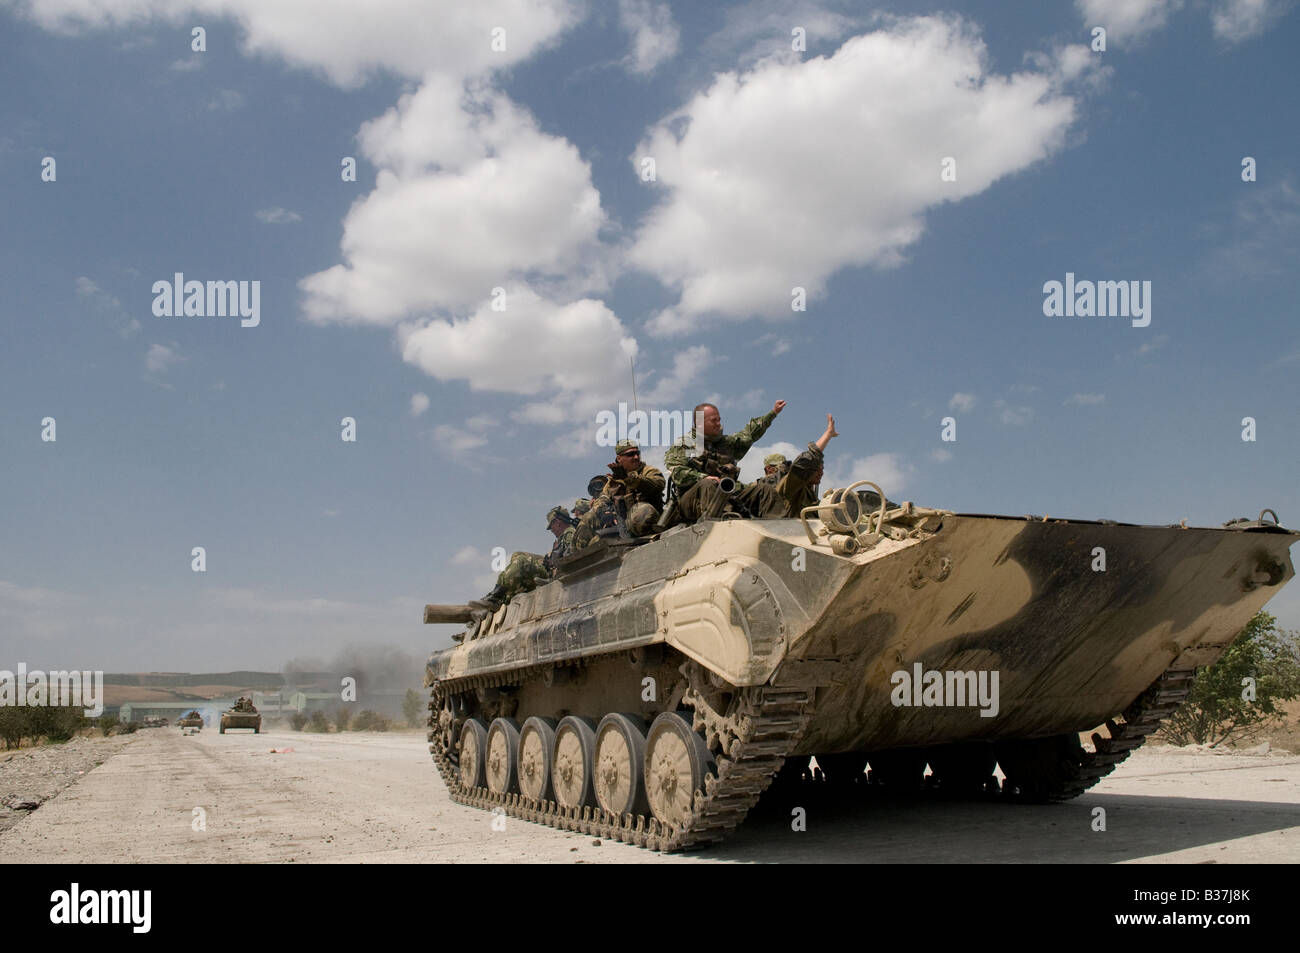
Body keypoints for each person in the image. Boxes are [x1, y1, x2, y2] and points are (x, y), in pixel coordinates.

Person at [664, 400, 788, 522]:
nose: (718, 423)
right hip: (693, 501)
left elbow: (750, 433)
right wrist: (703, 478)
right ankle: (724, 526)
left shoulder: (726, 443)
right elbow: (677, 472)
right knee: (708, 484)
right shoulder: (685, 444)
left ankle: (780, 532)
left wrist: (773, 413)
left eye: (719, 419)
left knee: (764, 490)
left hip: (729, 494)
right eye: (714, 420)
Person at [471, 506, 577, 614]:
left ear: (558, 522)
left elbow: (570, 555)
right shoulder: (560, 538)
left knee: (522, 562)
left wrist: (555, 567)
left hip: (553, 575)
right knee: (518, 559)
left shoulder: (569, 532)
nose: (551, 530)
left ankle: (495, 596)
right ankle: (496, 600)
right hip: (549, 571)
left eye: (551, 526)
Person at [573, 440, 665, 548]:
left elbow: (658, 484)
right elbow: (602, 499)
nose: (636, 457)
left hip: (644, 522)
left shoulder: (649, 471)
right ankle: (579, 558)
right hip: (621, 525)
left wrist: (629, 479)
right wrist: (604, 512)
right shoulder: (613, 481)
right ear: (619, 459)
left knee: (641, 511)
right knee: (589, 519)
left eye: (637, 453)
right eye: (630, 454)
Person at [776, 413, 838, 516]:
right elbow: (805, 463)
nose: (821, 473)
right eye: (817, 470)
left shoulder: (811, 496)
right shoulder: (791, 487)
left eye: (822, 470)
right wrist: (828, 434)